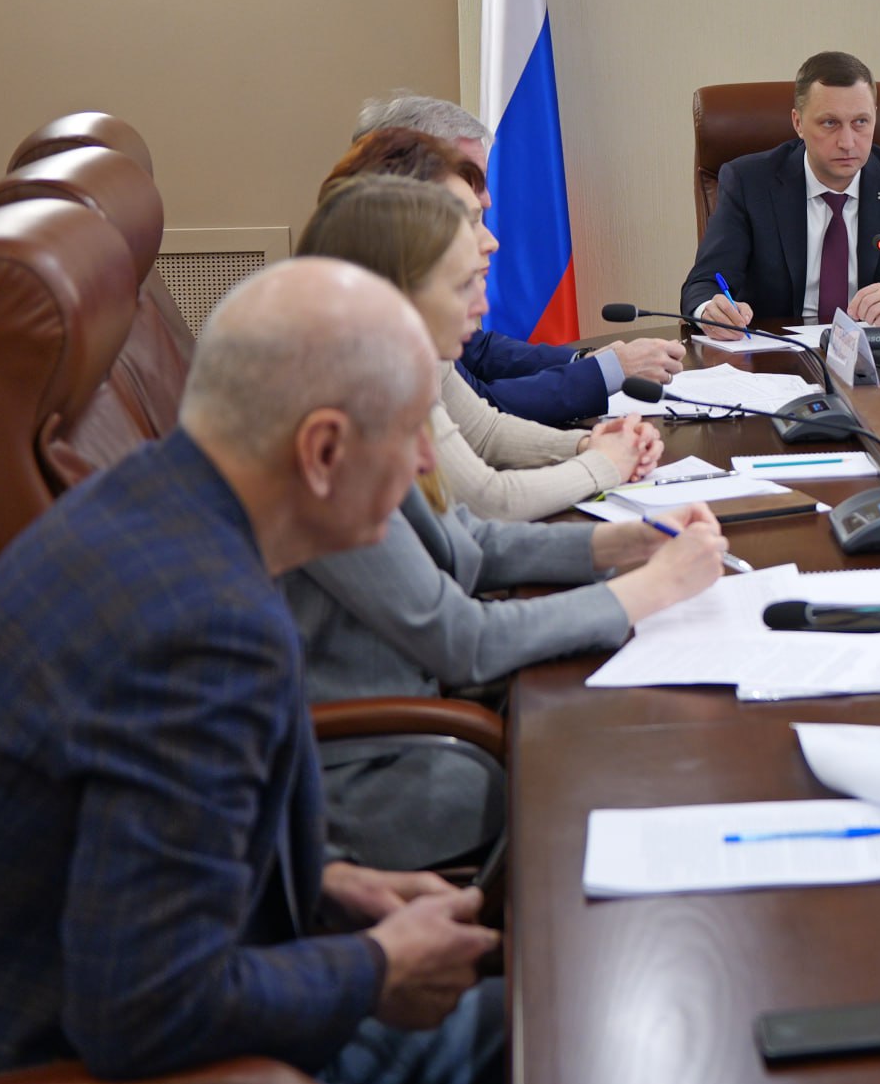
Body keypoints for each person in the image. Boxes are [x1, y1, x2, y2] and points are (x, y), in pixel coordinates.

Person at [0, 259, 505, 1084]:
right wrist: (377, 967)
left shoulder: (142, 504)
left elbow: (129, 859)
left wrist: (324, 883)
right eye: (409, 433)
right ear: (322, 450)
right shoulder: (208, 629)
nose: (426, 464)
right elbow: (143, 1014)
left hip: (108, 1037)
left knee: (552, 1028)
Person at [288, 176, 731, 870]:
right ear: (394, 298)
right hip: (370, 772)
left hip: (424, 711)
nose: (484, 303)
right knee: (634, 763)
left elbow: (466, 538)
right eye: (463, 285)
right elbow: (461, 641)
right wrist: (650, 589)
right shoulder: (336, 436)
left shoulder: (379, 381)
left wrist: (624, 542)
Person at [300, 177, 661, 523]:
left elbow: (483, 432)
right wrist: (603, 464)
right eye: (469, 218)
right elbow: (486, 502)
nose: (490, 240)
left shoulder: (409, 348)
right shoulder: (368, 378)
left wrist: (587, 444)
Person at [344, 103, 686, 419]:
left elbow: (476, 350)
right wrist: (608, 372)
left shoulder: (398, 266)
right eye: (470, 180)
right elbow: (481, 413)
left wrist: (583, 361)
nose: (487, 200)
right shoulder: (368, 293)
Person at [682, 51, 880, 329]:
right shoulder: (749, 182)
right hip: (778, 353)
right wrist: (711, 310)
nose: (847, 142)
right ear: (798, 123)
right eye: (830, 123)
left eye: (860, 122)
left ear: (875, 117)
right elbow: (703, 285)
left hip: (873, 353)